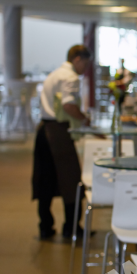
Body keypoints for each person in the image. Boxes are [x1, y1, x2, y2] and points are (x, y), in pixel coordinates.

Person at [32, 45, 91, 240]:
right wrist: (84, 119)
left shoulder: (54, 74)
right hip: (58, 132)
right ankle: (72, 227)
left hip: (44, 130)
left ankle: (45, 226)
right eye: (85, 63)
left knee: (45, 179)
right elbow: (68, 105)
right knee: (71, 180)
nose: (85, 68)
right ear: (77, 59)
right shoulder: (70, 77)